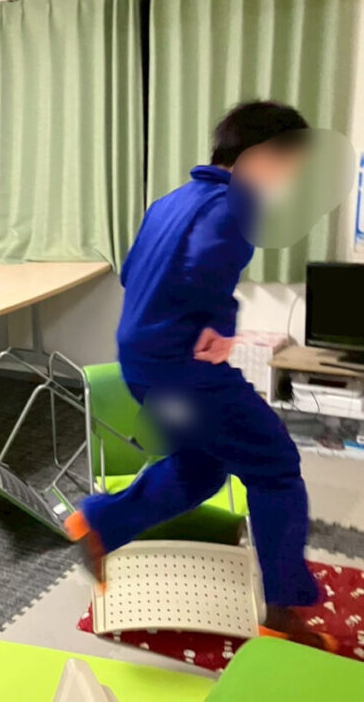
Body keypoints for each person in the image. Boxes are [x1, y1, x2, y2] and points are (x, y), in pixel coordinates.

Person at [67, 101, 334, 649]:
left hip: (142, 365)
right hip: (184, 373)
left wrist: (198, 316)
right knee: (275, 466)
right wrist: (218, 321)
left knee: (202, 468)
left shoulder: (171, 201)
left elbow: (135, 270)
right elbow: (203, 266)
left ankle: (99, 523)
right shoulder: (237, 202)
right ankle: (284, 614)